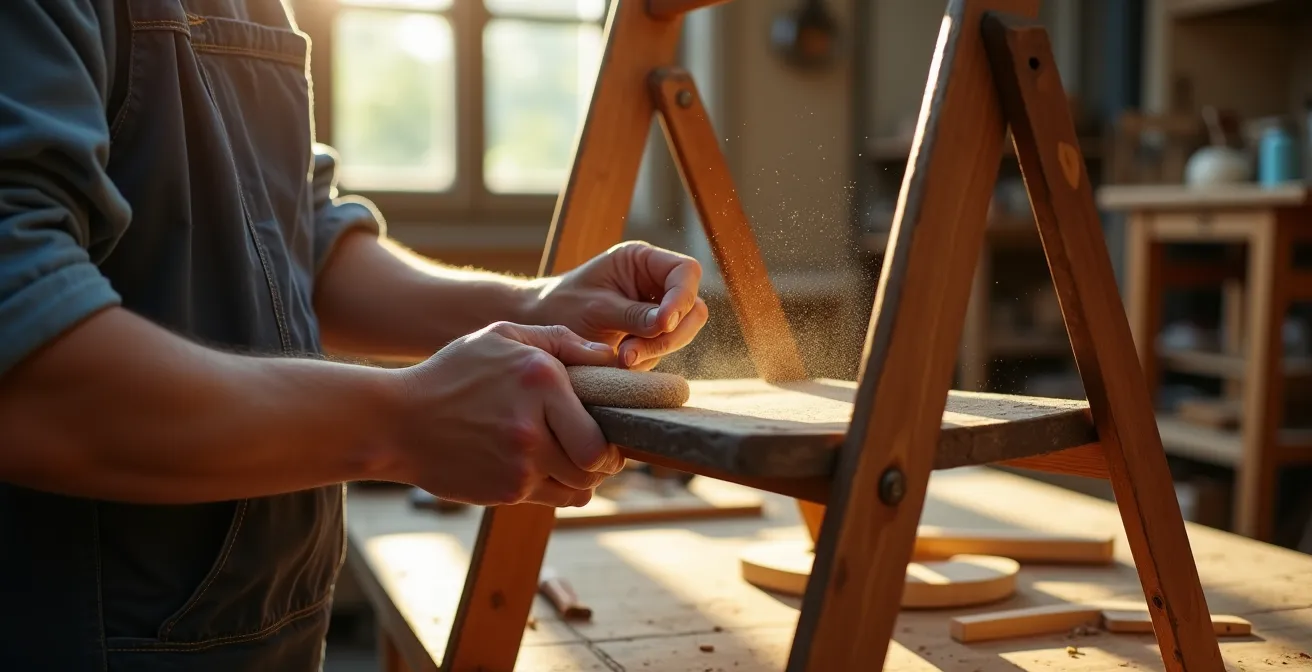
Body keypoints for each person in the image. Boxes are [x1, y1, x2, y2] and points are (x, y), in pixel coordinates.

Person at [0, 1, 709, 669]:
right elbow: (27, 368)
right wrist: (406, 421)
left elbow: (292, 234)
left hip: (256, 628)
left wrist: (534, 302)